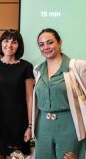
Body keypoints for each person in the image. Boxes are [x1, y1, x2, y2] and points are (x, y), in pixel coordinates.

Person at [33, 28, 86, 159]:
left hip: (69, 126)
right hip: (42, 127)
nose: (46, 47)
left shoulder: (77, 66)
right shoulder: (37, 70)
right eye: (42, 44)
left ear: (59, 42)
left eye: (50, 42)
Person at [0, 29, 34, 159]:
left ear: (19, 45)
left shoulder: (26, 67)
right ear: (1, 43)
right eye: (6, 41)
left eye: (14, 42)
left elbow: (30, 97)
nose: (9, 45)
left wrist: (30, 126)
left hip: (18, 125)